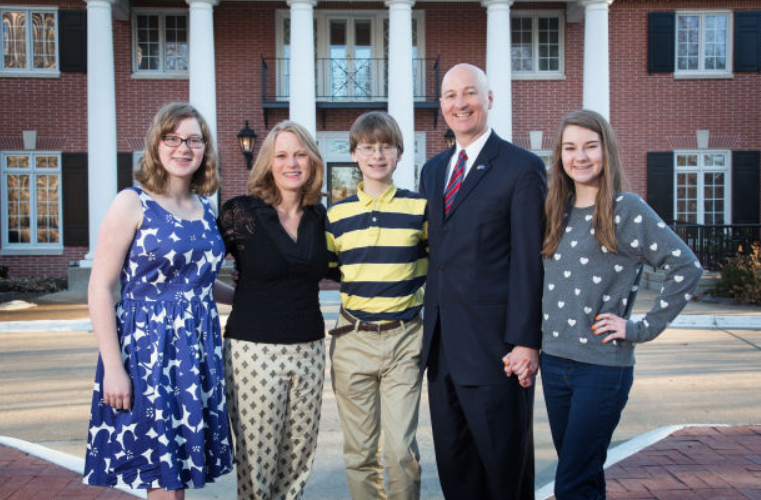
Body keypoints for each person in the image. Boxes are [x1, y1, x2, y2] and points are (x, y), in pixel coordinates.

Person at [536, 109, 703, 500]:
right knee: (585, 474)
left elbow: (686, 267)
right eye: (570, 148)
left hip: (602, 369)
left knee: (572, 481)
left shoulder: (626, 209)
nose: (580, 157)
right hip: (555, 363)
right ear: (560, 156)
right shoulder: (552, 211)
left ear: (606, 151)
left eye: (590, 147)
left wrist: (640, 328)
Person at [84, 102, 234, 498]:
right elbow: (100, 287)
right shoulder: (132, 203)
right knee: (161, 474)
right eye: (173, 138)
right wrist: (114, 368)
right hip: (148, 355)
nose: (183, 148)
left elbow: (197, 282)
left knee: (178, 473)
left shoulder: (205, 208)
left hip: (197, 352)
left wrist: (246, 297)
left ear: (205, 149)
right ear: (156, 144)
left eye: (194, 140)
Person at [417, 63, 546, 500]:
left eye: (469, 93)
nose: (460, 104)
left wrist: (526, 342)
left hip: (497, 353)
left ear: (489, 99)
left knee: (504, 473)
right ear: (441, 106)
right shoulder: (433, 171)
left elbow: (529, 262)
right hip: (442, 351)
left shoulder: (521, 168)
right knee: (457, 473)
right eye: (450, 96)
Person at [217, 120, 327, 500]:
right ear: (267, 162)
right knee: (257, 467)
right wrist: (238, 296)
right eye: (281, 155)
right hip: (253, 351)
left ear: (313, 161)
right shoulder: (239, 215)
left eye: (300, 154)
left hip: (311, 351)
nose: (291, 163)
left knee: (297, 462)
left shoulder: (320, 216)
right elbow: (195, 271)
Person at [325, 111, 428, 500]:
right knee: (359, 453)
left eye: (385, 147)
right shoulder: (336, 215)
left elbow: (437, 265)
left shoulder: (420, 209)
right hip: (352, 340)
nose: (377, 155)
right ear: (354, 154)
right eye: (367, 148)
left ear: (399, 153)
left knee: (400, 451)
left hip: (404, 339)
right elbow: (337, 270)